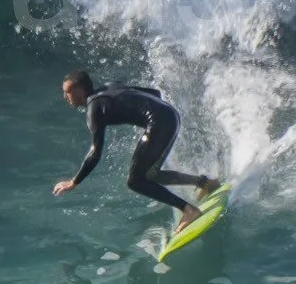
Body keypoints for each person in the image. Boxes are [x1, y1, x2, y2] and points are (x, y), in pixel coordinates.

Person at [51, 70, 222, 228]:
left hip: (159, 123)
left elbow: (95, 153)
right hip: (170, 115)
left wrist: (74, 182)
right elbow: (155, 94)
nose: (65, 97)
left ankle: (188, 210)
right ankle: (205, 183)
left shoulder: (93, 108)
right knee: (150, 175)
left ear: (80, 91)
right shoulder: (110, 86)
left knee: (135, 181)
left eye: (68, 92)